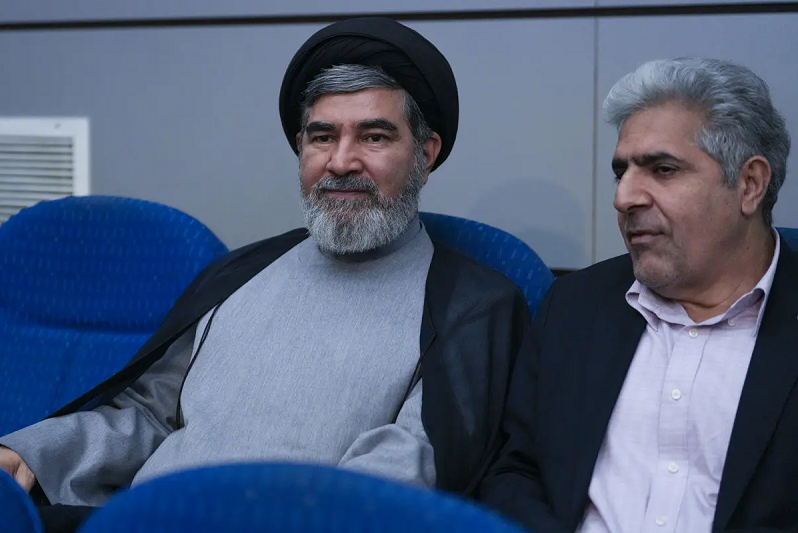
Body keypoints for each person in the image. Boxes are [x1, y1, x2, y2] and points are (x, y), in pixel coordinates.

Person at [0, 17, 529, 532]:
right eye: (322, 137)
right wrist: (30, 455)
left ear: (425, 153)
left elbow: (404, 473)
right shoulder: (241, 271)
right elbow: (150, 415)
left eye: (373, 137)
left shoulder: (471, 306)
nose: (341, 161)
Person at [478, 57, 797, 532]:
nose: (624, 197)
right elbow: (516, 472)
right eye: (620, 172)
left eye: (663, 170)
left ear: (749, 184)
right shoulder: (574, 305)